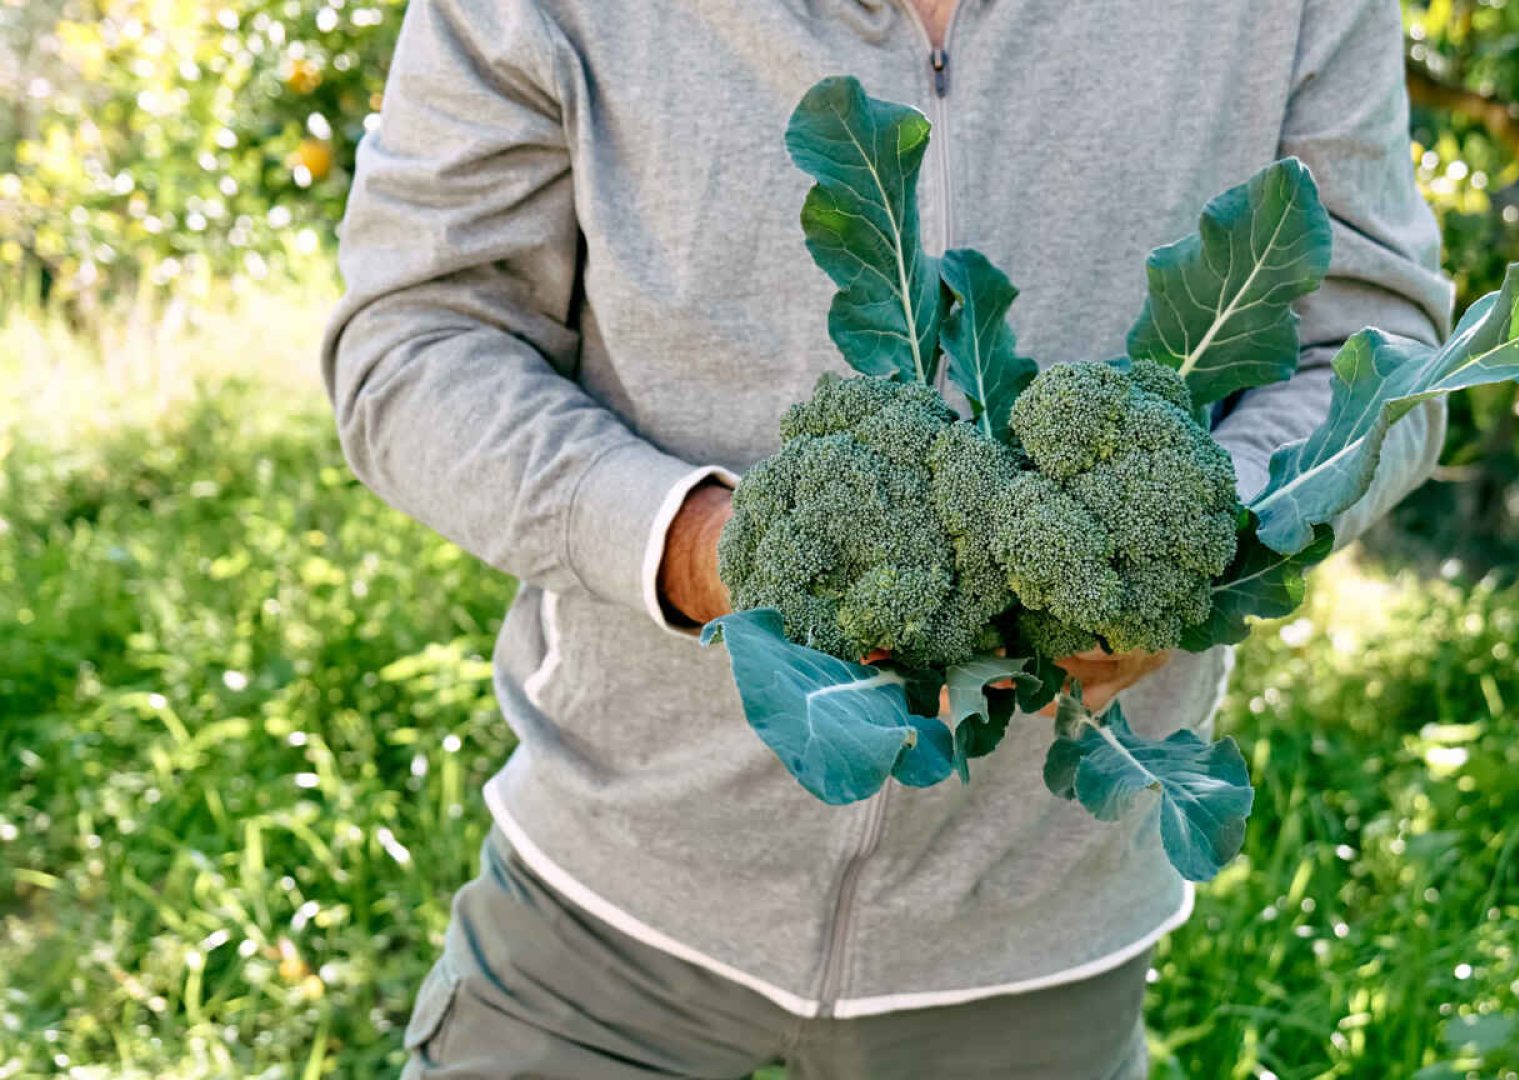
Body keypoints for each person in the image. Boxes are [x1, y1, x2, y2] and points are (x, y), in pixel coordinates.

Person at [320, 0, 1452, 1075]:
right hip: (610, 900)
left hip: (1029, 939)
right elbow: (416, 338)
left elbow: (1376, 346)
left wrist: (1195, 538)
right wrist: (688, 542)